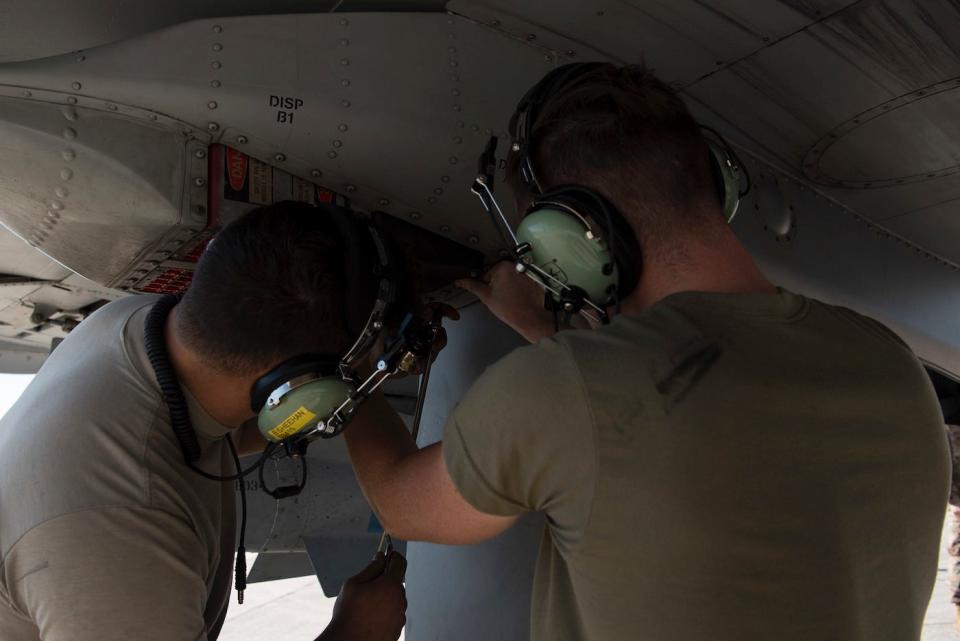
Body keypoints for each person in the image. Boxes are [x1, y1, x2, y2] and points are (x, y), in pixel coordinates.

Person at [342, 63, 951, 640]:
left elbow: (401, 502)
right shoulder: (890, 361)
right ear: (714, 181)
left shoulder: (561, 392)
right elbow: (658, 403)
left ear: (568, 240)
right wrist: (542, 330)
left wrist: (343, 350)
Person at [0, 202, 407, 641]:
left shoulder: (134, 323)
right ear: (293, 384)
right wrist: (356, 632)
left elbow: (224, 425)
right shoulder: (119, 541)